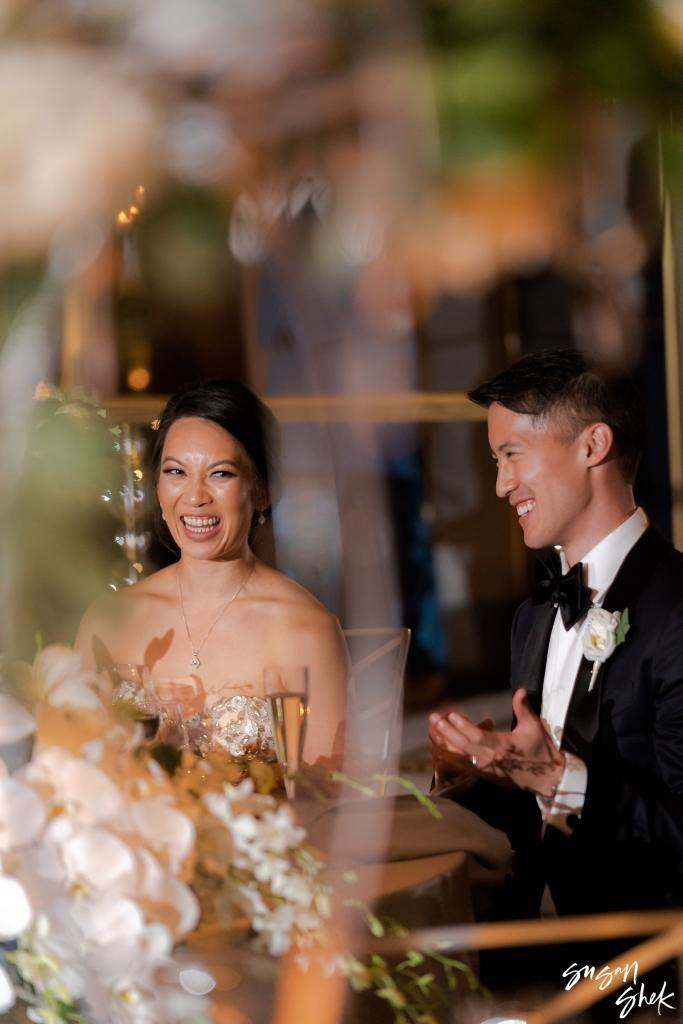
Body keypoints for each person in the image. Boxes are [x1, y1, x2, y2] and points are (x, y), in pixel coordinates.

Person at [429, 349, 683, 941]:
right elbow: (536, 818)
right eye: (496, 461)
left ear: (592, 446)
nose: (500, 486)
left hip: (649, 972)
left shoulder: (676, 611)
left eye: (511, 455)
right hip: (535, 950)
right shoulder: (535, 615)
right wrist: (477, 776)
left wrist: (553, 776)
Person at [76, 380, 348, 765]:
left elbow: (331, 804)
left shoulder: (308, 630)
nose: (195, 496)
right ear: (157, 488)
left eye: (220, 474)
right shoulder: (107, 620)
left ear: (262, 492)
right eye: (176, 472)